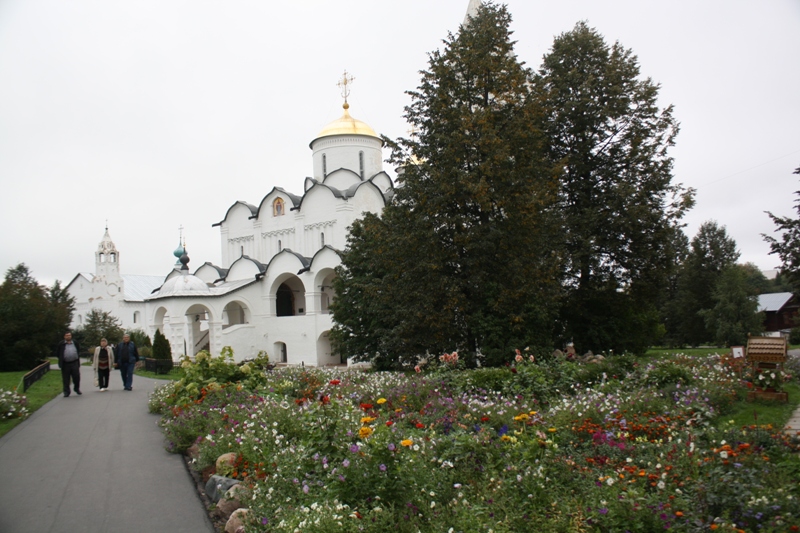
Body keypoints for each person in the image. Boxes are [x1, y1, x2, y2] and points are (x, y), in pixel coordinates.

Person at [55, 331, 81, 397]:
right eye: (67, 335)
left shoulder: (75, 343)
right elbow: (58, 353)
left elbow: (78, 350)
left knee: (76, 377)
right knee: (66, 378)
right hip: (65, 364)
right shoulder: (61, 344)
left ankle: (76, 388)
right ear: (64, 337)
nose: (68, 336)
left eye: (69, 335)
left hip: (74, 362)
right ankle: (66, 392)